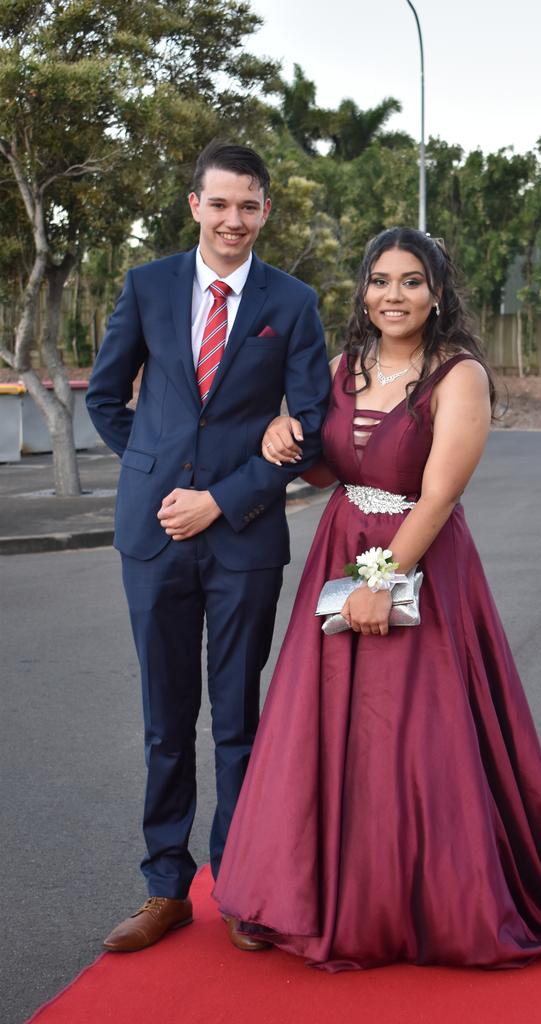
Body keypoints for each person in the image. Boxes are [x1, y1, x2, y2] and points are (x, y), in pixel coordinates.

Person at [213, 227, 541, 971]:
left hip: (417, 562)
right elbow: (329, 469)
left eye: (412, 281)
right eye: (381, 280)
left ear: (439, 292)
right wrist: (279, 435)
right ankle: (314, 893)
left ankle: (413, 902)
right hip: (339, 547)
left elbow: (440, 492)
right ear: (363, 291)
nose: (394, 295)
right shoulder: (342, 366)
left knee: (415, 738)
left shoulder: (458, 376)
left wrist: (378, 581)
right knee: (322, 734)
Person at [85, 141, 330, 953]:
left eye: (249, 205)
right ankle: (165, 888)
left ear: (265, 211)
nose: (233, 219)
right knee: (164, 719)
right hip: (153, 537)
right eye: (219, 203)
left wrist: (220, 500)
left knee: (238, 720)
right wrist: (156, 474)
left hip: (243, 541)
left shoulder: (291, 303)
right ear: (195, 205)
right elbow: (109, 397)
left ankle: (242, 885)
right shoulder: (147, 285)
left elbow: (311, 425)